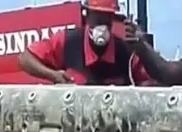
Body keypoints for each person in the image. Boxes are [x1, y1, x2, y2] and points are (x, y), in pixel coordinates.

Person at [18, 0, 152, 85]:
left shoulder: (125, 52)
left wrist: (143, 48)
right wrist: (53, 75)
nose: (102, 26)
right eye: (97, 19)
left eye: (106, 20)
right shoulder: (67, 42)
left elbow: (150, 82)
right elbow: (25, 59)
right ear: (86, 16)